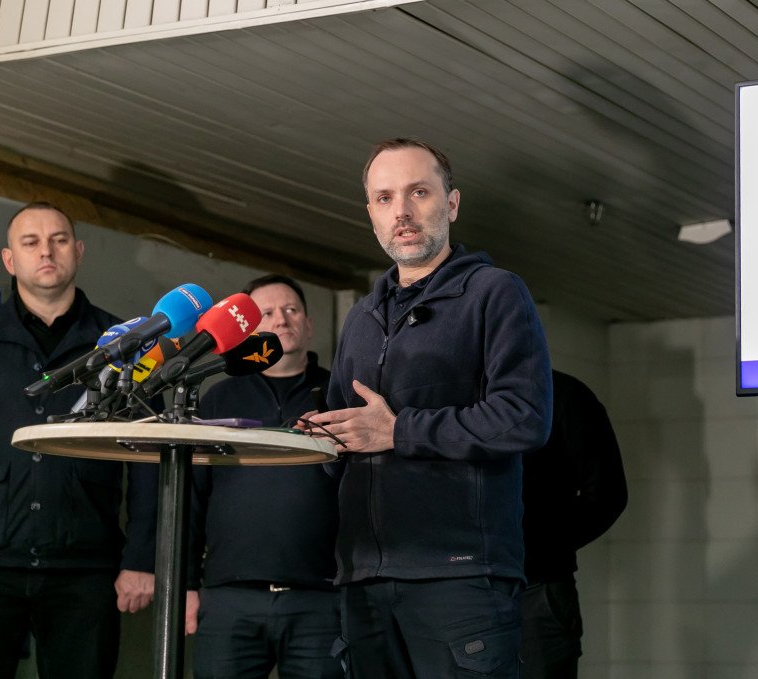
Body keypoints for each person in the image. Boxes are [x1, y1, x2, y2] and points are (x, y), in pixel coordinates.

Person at [303, 138, 553, 678]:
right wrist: (320, 439)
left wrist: (399, 431)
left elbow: (524, 416)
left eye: (419, 192)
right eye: (385, 197)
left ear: (452, 204)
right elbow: (345, 437)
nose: (402, 211)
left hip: (460, 579)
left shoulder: (495, 293)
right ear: (371, 213)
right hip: (363, 579)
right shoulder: (362, 317)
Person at [0, 202, 157, 678]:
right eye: (30, 242)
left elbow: (149, 460)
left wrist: (141, 559)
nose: (46, 252)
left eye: (59, 240)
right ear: (10, 259)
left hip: (85, 568)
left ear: (79, 251)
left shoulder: (125, 346)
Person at [186, 273, 341, 679]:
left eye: (291, 310)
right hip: (229, 598)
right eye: (266, 313)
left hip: (322, 599)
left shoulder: (339, 397)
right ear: (247, 332)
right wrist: (185, 585)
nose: (281, 320)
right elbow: (190, 498)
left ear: (309, 324)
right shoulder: (217, 398)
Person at [520, 370, 628, 679]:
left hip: (536, 589)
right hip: (461, 590)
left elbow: (607, 495)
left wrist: (537, 547)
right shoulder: (458, 393)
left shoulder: (562, 394)